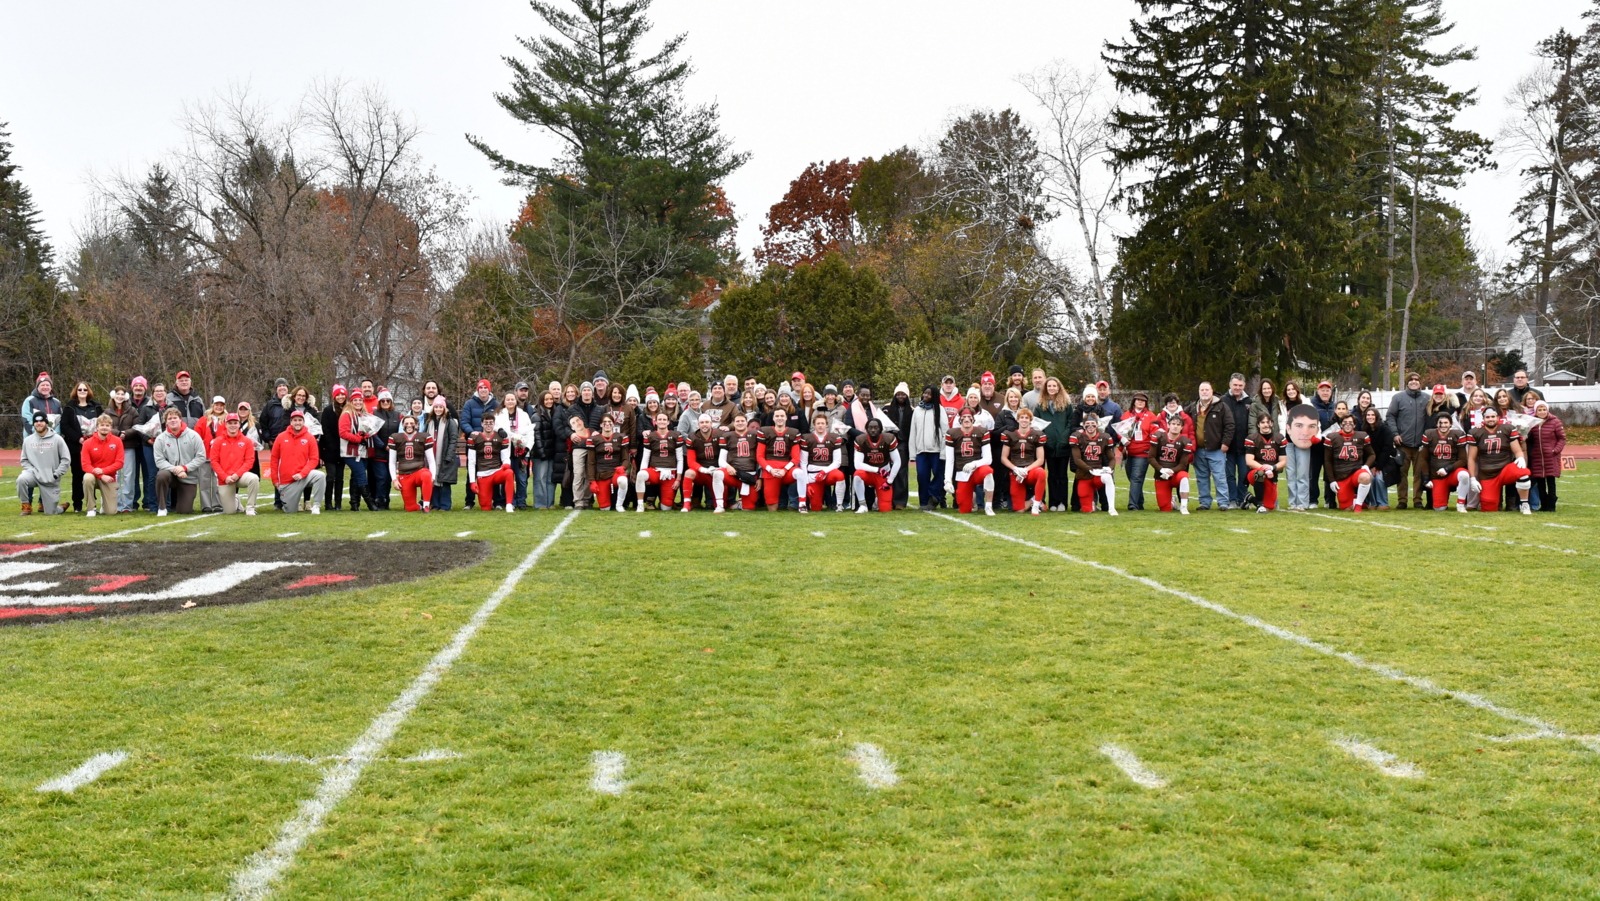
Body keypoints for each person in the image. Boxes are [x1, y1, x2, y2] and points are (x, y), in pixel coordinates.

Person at [1468, 407, 1532, 514]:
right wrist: (1473, 478)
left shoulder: (1508, 429)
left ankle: (1524, 504)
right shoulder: (1475, 432)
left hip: (1505, 469)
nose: (1490, 419)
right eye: (1487, 417)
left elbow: (1517, 451)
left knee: (1523, 473)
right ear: (1483, 419)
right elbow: (1471, 458)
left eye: (1493, 416)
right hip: (1487, 474)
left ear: (1498, 417)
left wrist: (1520, 457)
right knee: (1489, 508)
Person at [1187, 381, 1233, 511]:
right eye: (1202, 390)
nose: (1204, 392)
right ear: (1198, 392)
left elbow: (1230, 425)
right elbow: (1181, 419)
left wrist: (1225, 443)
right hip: (1198, 450)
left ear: (1212, 391)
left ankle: (1223, 502)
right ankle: (1204, 502)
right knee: (1201, 478)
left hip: (1216, 449)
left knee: (1219, 477)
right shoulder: (1192, 407)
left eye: (1207, 389)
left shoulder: (1222, 406)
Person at [60, 380, 104, 513]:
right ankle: (77, 504)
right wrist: (78, 438)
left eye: (85, 389)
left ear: (88, 391)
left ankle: (92, 504)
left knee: (92, 475)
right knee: (77, 475)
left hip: (94, 446)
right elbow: (65, 426)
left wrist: (94, 438)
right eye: (80, 389)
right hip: (76, 447)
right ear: (76, 391)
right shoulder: (69, 407)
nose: (82, 392)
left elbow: (103, 423)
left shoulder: (96, 407)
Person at [153, 407, 207, 516]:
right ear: (166, 422)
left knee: (184, 511)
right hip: (170, 474)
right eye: (169, 419)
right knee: (161, 475)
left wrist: (185, 468)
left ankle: (180, 503)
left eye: (175, 418)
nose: (173, 420)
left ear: (180, 419)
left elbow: (201, 457)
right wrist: (176, 469)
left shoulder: (193, 435)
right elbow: (159, 461)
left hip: (188, 476)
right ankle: (162, 508)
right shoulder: (160, 439)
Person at [270, 409, 324, 514]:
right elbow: (274, 459)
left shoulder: (310, 437)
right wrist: (275, 480)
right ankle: (291, 502)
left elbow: (314, 459)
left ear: (303, 422)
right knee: (290, 511)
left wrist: (302, 474)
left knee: (320, 476)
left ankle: (316, 506)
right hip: (288, 481)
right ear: (291, 422)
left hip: (303, 477)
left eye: (300, 420)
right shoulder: (281, 437)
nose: (297, 422)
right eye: (295, 420)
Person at [945, 408, 996, 516]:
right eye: (964, 417)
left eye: (969, 417)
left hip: (977, 470)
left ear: (973, 419)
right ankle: (972, 500)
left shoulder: (981, 432)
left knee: (988, 472)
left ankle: (988, 506)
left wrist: (974, 464)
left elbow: (988, 459)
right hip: (962, 472)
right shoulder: (952, 433)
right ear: (960, 419)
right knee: (964, 509)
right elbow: (950, 460)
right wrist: (947, 480)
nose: (966, 420)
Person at [1420, 411, 1474, 512]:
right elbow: (1423, 458)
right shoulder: (1429, 434)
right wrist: (1426, 478)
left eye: (1446, 423)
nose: (1443, 425)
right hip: (1437, 475)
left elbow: (1463, 460)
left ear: (1450, 424)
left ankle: (1461, 504)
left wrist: (1447, 469)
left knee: (1464, 475)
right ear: (1436, 424)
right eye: (1440, 423)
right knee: (1439, 509)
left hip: (1453, 472)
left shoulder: (1458, 434)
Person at [210, 413, 260, 515]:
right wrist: (225, 477)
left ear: (239, 424)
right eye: (230, 423)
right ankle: (236, 501)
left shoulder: (247, 441)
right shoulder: (218, 441)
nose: (233, 425)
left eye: (235, 423)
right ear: (226, 424)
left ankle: (250, 507)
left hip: (240, 476)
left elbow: (249, 461)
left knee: (254, 478)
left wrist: (237, 474)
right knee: (230, 512)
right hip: (225, 479)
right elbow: (214, 462)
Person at [1116, 392, 1159, 511]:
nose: (1140, 402)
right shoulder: (1126, 415)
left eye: (1143, 400)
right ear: (1134, 402)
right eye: (1138, 400)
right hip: (1128, 451)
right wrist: (1123, 439)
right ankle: (1139, 502)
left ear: (1146, 403)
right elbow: (1119, 431)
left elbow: (1155, 433)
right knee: (1132, 477)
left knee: (1136, 478)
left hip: (1143, 452)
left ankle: (1132, 504)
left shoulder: (1151, 416)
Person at [1323, 412, 1375, 512]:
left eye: (1350, 422)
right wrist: (1332, 480)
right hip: (1341, 476)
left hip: (1356, 473)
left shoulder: (1361, 435)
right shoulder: (1332, 437)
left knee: (1365, 477)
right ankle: (1355, 500)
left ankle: (1358, 505)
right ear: (1341, 424)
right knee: (1346, 508)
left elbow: (1372, 454)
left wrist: (1366, 466)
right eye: (1345, 422)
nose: (1348, 424)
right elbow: (1328, 461)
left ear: (1354, 425)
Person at [337, 391, 379, 512]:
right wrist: (359, 439)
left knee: (356, 476)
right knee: (361, 475)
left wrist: (366, 436)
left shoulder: (365, 415)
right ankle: (370, 503)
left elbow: (367, 431)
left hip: (363, 451)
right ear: (351, 402)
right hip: (350, 451)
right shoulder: (347, 414)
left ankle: (354, 503)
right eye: (355, 400)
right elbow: (343, 433)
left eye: (360, 400)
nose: (358, 402)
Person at [1070, 414, 1119, 516]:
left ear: (1097, 425)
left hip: (1098, 475)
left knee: (1108, 477)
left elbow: (1112, 458)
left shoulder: (1104, 437)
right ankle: (1091, 503)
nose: (1090, 426)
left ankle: (1112, 508)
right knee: (1086, 509)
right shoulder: (1077, 436)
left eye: (1093, 424)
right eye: (1087, 424)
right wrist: (1090, 469)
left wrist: (1110, 468)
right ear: (1083, 425)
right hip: (1084, 475)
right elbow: (1077, 459)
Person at [1001, 407, 1048, 515]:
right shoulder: (1010, 435)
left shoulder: (1037, 435)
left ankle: (1036, 505)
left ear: (1030, 420)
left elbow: (1040, 459)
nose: (1024, 420)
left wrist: (1026, 469)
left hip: (1030, 471)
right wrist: (1015, 468)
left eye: (1027, 418)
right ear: (1017, 419)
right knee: (1019, 510)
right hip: (1016, 472)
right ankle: (1032, 500)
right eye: (1022, 417)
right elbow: (1003, 458)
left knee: (1041, 472)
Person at [1039, 377, 1076, 511]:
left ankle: (1062, 502)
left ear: (1059, 387)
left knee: (1062, 475)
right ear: (1046, 388)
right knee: (1052, 475)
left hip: (1063, 446)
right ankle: (1053, 502)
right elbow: (1037, 424)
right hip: (1048, 446)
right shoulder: (1040, 405)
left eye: (1054, 386)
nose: (1052, 388)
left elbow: (1070, 422)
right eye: (1049, 386)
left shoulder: (1066, 405)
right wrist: (1046, 438)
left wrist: (1064, 437)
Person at [798, 411, 846, 513]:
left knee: (840, 475)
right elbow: (803, 463)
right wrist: (806, 484)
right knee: (815, 508)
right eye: (818, 423)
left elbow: (837, 462)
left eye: (822, 423)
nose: (820, 425)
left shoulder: (834, 438)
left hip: (828, 473)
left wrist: (824, 472)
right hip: (813, 475)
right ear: (814, 425)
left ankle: (839, 505)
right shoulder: (807, 438)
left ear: (826, 425)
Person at [387, 413, 437, 512]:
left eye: (411, 423)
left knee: (427, 475)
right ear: (402, 425)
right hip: (404, 474)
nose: (409, 425)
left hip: (419, 471)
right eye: (406, 423)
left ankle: (426, 505)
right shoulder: (395, 437)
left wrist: (433, 477)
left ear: (417, 425)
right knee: (410, 508)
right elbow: (392, 462)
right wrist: (394, 480)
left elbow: (431, 460)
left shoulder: (424, 437)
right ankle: (419, 506)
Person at [636, 412, 685, 512]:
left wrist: (678, 478)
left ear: (668, 422)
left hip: (670, 473)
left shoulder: (676, 435)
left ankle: (663, 501)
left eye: (664, 419)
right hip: (655, 471)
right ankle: (640, 505)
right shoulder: (650, 436)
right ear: (655, 422)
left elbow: (680, 459)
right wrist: (643, 472)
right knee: (640, 475)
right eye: (660, 419)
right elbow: (645, 458)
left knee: (666, 508)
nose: (662, 421)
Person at [494, 391, 535, 510]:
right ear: (504, 402)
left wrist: (527, 448)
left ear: (516, 401)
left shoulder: (523, 415)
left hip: (521, 451)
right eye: (508, 399)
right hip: (506, 451)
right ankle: (509, 501)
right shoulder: (499, 415)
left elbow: (530, 432)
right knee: (507, 477)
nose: (510, 401)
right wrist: (499, 429)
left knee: (522, 478)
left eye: (512, 399)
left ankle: (521, 502)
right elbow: (494, 427)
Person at [909, 385, 946, 510]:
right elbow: (913, 432)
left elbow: (945, 432)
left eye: (929, 394)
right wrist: (912, 453)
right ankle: (924, 502)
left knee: (938, 475)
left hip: (936, 450)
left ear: (934, 396)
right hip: (921, 451)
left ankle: (934, 497)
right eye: (925, 393)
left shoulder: (940, 410)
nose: (926, 395)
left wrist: (943, 451)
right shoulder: (917, 411)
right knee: (922, 476)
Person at [468, 421, 517, 513]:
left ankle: (509, 504)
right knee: (485, 507)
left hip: (496, 472)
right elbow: (471, 461)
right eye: (486, 423)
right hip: (483, 474)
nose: (488, 425)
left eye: (491, 423)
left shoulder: (500, 436)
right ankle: (489, 502)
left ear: (494, 424)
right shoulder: (475, 437)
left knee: (509, 472)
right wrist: (472, 482)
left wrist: (506, 464)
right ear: (482, 424)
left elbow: (505, 457)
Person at [757, 407, 801, 511]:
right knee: (772, 507)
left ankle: (799, 503)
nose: (779, 418)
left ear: (786, 418)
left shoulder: (794, 432)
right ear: (773, 418)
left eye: (782, 416)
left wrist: (784, 470)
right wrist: (770, 469)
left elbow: (796, 458)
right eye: (777, 416)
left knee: (799, 473)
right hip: (770, 468)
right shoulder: (765, 431)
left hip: (786, 468)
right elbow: (759, 456)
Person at [1526, 399, 1566, 512]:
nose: (1542, 412)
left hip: (1550, 457)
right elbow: (1529, 439)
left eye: (1544, 409)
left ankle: (1552, 505)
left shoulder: (1555, 422)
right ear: (1536, 411)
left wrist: (1555, 450)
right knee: (1540, 482)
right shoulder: (1532, 422)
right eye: (1539, 410)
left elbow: (1562, 438)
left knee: (1551, 481)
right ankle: (1544, 504)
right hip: (1537, 457)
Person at [852, 417, 900, 513]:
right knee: (857, 475)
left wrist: (889, 481)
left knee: (885, 509)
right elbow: (857, 464)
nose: (873, 430)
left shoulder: (888, 439)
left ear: (881, 429)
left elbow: (897, 461)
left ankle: (877, 501)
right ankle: (863, 505)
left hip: (883, 475)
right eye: (870, 427)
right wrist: (877, 469)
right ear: (866, 429)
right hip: (868, 473)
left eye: (876, 427)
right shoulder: (860, 440)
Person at [718, 413, 763, 511]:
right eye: (737, 421)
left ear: (747, 422)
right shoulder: (727, 436)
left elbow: (760, 457)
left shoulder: (755, 435)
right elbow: (721, 460)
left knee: (749, 508)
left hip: (750, 475)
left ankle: (741, 503)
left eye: (742, 421)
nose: (740, 423)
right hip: (734, 473)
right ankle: (719, 504)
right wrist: (728, 467)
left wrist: (759, 477)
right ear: (734, 423)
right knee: (718, 474)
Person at [682, 413, 727, 512]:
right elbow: (691, 461)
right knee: (689, 473)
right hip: (702, 472)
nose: (704, 424)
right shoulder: (692, 437)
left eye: (707, 422)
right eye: (702, 422)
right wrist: (703, 469)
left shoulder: (720, 435)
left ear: (711, 424)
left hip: (717, 471)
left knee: (720, 504)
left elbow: (725, 457)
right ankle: (686, 504)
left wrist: (718, 469)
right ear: (698, 424)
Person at [1150, 414, 1193, 514]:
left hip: (1175, 474)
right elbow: (1151, 457)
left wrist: (1171, 471)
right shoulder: (1158, 436)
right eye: (1173, 424)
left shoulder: (1185, 441)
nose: (1175, 426)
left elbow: (1183, 464)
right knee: (1165, 509)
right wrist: (1161, 469)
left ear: (1182, 427)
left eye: (1178, 424)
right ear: (1168, 425)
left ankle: (1183, 506)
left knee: (1184, 477)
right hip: (1161, 475)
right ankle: (1172, 502)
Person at [585, 418, 630, 513]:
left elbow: (626, 458)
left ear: (613, 424)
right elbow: (591, 462)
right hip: (602, 474)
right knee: (604, 508)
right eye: (604, 422)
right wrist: (592, 481)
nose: (607, 424)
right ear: (600, 425)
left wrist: (623, 467)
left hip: (615, 472)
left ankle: (619, 505)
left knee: (623, 480)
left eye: (609, 422)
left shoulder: (620, 437)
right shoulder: (594, 439)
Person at [1242, 414, 1285, 513]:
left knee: (1270, 507)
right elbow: (1249, 461)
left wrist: (1272, 468)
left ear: (1272, 423)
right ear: (1258, 424)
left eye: (1267, 422)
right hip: (1255, 473)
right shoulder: (1252, 438)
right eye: (1262, 422)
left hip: (1271, 475)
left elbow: (1283, 461)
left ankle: (1250, 498)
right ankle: (1260, 505)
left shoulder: (1279, 438)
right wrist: (1264, 468)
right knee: (1260, 473)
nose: (1265, 425)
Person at [1221, 373, 1252, 507]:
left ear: (1244, 385)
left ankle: (1242, 498)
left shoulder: (1249, 401)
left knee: (1244, 474)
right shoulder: (1223, 400)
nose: (1237, 388)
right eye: (1235, 385)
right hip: (1228, 446)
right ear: (1230, 385)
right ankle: (1232, 499)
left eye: (1240, 385)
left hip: (1245, 446)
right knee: (1229, 475)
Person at [194, 395, 229, 513]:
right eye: (216, 405)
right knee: (204, 481)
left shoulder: (226, 420)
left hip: (220, 456)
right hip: (205, 455)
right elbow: (196, 436)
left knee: (217, 481)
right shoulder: (203, 420)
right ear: (212, 405)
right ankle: (206, 505)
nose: (219, 407)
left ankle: (217, 503)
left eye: (221, 405)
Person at [423, 396, 459, 511]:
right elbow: (424, 437)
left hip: (445, 456)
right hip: (431, 455)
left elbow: (453, 439)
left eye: (440, 407)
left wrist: (449, 455)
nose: (438, 409)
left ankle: (445, 505)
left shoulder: (450, 422)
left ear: (444, 408)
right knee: (433, 479)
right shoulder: (429, 421)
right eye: (436, 407)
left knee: (444, 482)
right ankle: (435, 504)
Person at [1359, 405, 1397, 509]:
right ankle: (1372, 503)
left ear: (1376, 416)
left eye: (1372, 415)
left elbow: (1387, 449)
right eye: (1368, 415)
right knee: (1369, 477)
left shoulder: (1385, 429)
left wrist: (1378, 466)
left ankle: (1383, 503)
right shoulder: (1363, 430)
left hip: (1384, 462)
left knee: (1379, 479)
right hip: (1369, 463)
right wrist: (1370, 465)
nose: (1370, 417)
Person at [319, 385, 348, 510]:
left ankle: (338, 503)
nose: (340, 397)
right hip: (330, 450)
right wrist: (330, 446)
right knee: (331, 476)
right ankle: (328, 503)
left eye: (342, 394)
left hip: (343, 449)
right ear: (334, 396)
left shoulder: (348, 409)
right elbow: (325, 430)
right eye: (338, 395)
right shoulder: (328, 410)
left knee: (340, 478)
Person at [530, 389, 559, 509]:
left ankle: (550, 503)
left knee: (550, 479)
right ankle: (540, 504)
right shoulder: (536, 416)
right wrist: (542, 452)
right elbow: (536, 436)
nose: (549, 401)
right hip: (540, 454)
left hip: (552, 452)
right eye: (546, 399)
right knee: (540, 478)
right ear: (542, 401)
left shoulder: (554, 414)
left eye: (551, 399)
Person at [887, 383, 914, 509]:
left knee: (901, 471)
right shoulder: (887, 409)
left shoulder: (912, 411)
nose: (900, 396)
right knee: (888, 470)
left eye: (903, 394)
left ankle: (900, 501)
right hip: (889, 442)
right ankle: (887, 498)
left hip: (904, 443)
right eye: (898, 394)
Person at [19, 371, 62, 440]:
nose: (45, 387)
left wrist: (55, 435)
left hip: (53, 439)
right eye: (42, 385)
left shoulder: (57, 402)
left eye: (47, 385)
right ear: (37, 387)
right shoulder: (29, 400)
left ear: (51, 387)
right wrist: (41, 434)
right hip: (33, 439)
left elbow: (59, 422)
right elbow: (27, 420)